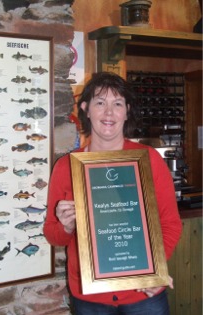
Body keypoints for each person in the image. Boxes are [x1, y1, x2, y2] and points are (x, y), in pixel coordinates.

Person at [43, 72, 182, 315]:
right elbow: (53, 234)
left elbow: (170, 224)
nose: (109, 113)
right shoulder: (67, 167)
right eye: (100, 103)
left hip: (143, 294)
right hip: (90, 298)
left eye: (117, 104)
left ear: (127, 111)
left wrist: (154, 270)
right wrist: (65, 227)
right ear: (86, 109)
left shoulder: (149, 161)